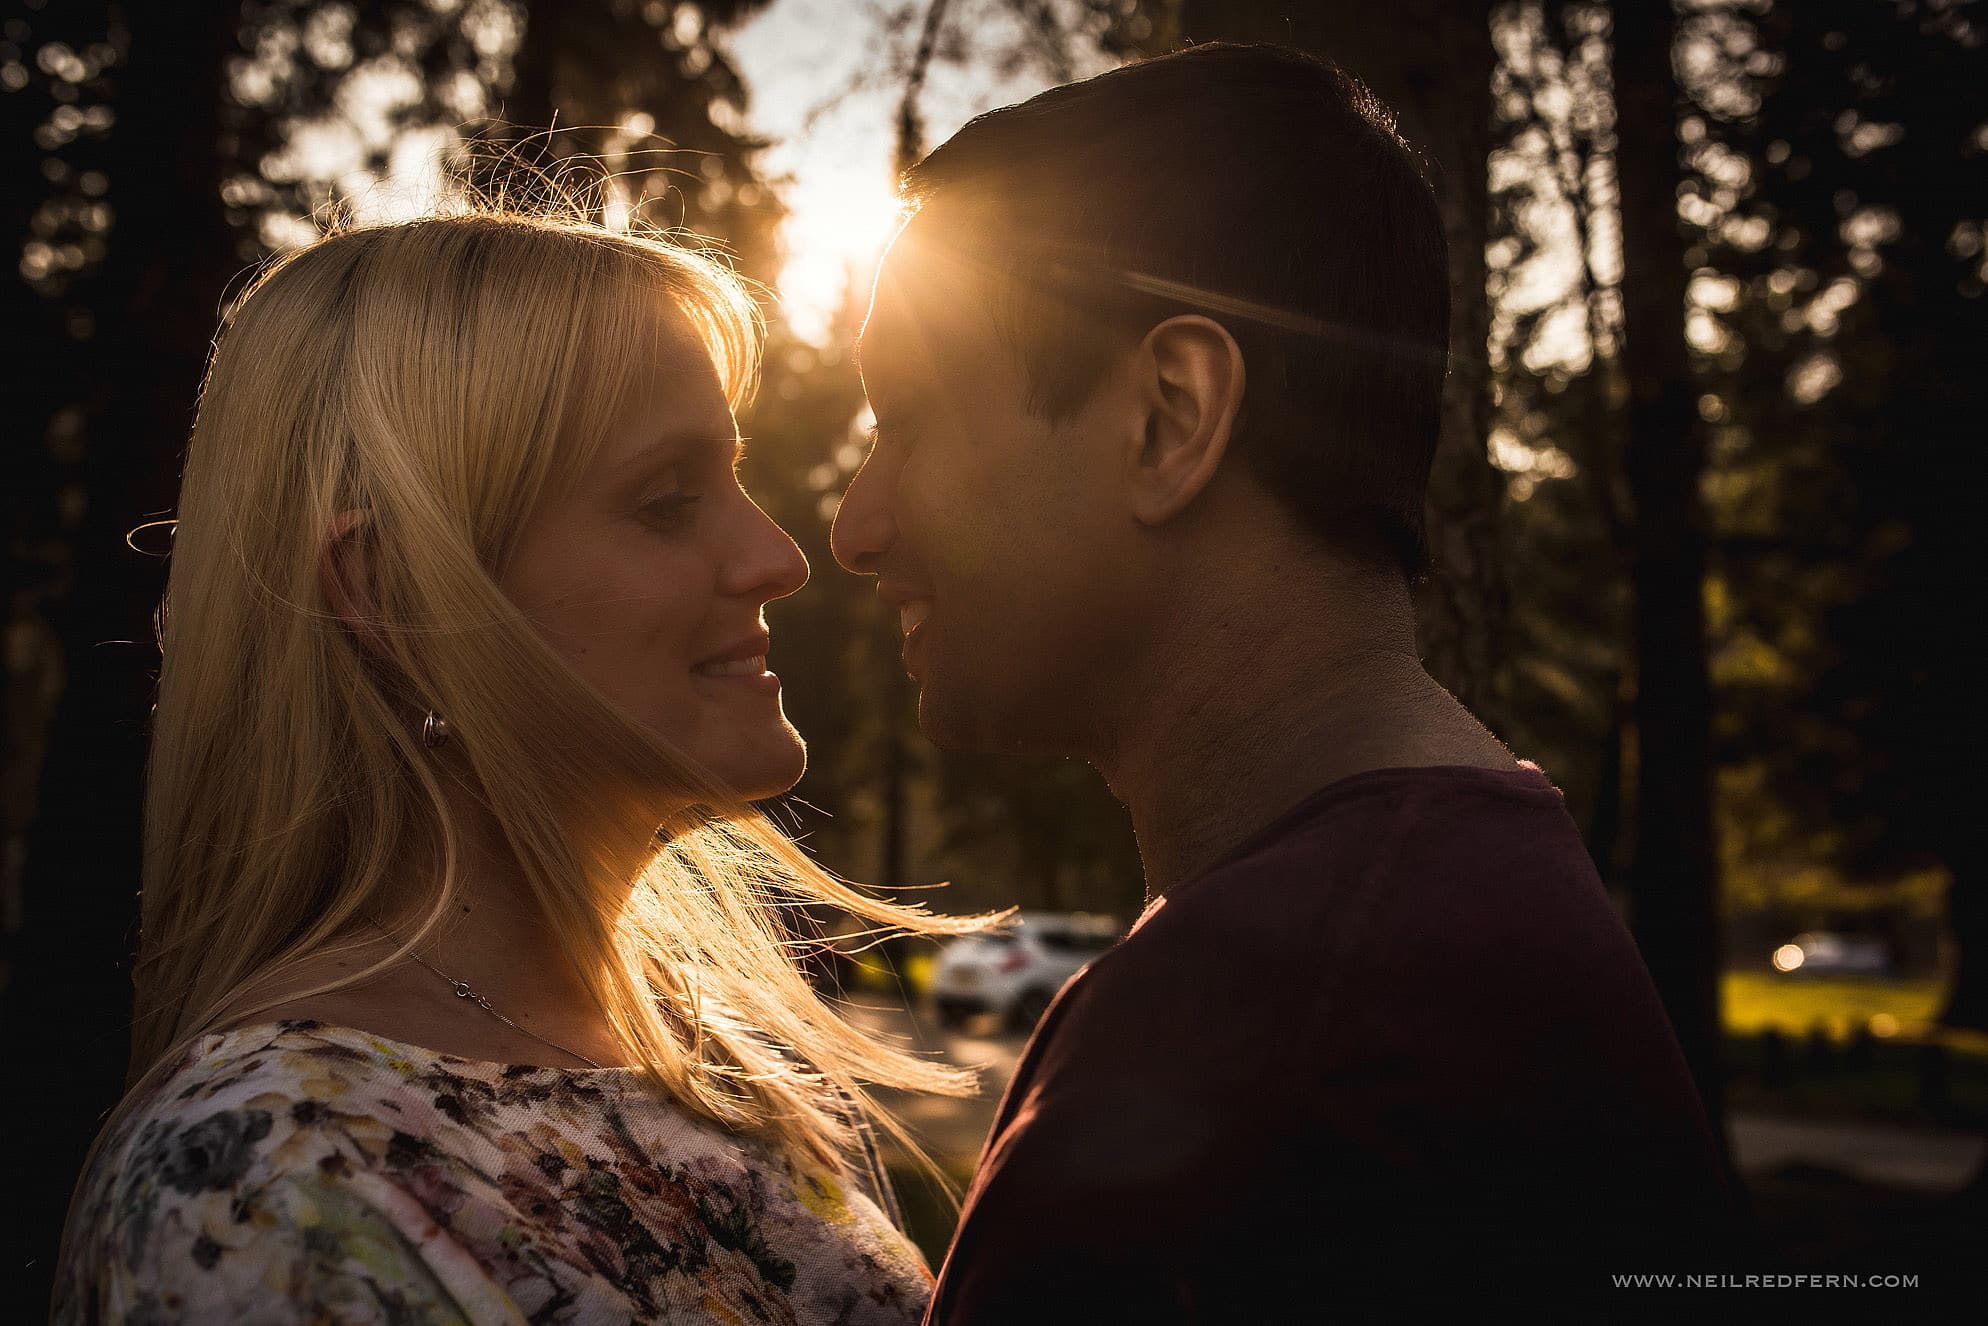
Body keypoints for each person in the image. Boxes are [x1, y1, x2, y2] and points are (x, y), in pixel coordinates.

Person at [830, 43, 1747, 1321]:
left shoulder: (1253, 1040)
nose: (853, 527)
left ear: (1168, 415)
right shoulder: (1464, 893)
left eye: (908, 419)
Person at [53, 207, 987, 1324]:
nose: (780, 558)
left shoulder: (729, 1070)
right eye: (666, 502)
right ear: (392, 594)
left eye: (735, 481)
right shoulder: (276, 1179)